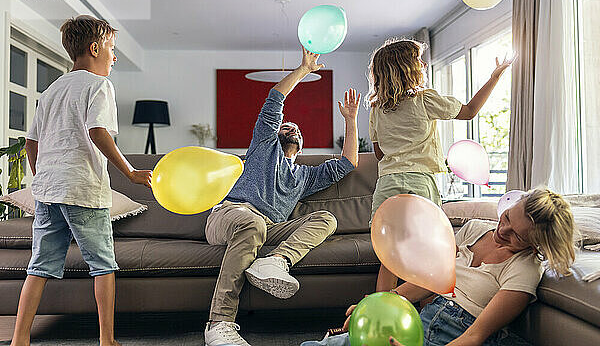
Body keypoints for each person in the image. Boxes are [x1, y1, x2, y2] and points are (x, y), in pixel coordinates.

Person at [10, 15, 152, 346]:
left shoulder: (50, 91)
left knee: (39, 267)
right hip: (83, 192)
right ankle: (106, 340)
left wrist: (42, 175)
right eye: (112, 48)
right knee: (103, 265)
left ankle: (19, 340)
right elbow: (98, 131)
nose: (114, 57)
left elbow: (31, 143)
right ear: (95, 48)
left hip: (48, 191)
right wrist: (130, 172)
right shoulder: (98, 85)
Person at [204, 47, 360, 346]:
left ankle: (276, 261)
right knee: (252, 224)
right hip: (229, 215)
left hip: (268, 228)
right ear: (276, 133)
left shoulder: (304, 176)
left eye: (296, 129)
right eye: (285, 126)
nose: (291, 128)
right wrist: (303, 70)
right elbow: (275, 98)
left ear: (301, 145)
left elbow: (348, 164)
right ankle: (219, 325)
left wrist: (350, 119)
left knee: (326, 219)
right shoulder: (263, 146)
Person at [302, 187, 577, 346]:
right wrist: (373, 308)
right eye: (506, 217)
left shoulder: (525, 269)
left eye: (516, 235)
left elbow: (475, 336)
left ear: (536, 243)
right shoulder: (476, 229)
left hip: (449, 336)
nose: (502, 230)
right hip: (419, 321)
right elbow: (430, 281)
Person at [366, 38, 516, 292]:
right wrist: (495, 76)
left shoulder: (376, 109)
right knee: (427, 255)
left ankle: (380, 318)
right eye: (418, 60)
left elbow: (380, 153)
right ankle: (426, 314)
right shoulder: (424, 100)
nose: (423, 64)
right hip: (419, 183)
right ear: (406, 68)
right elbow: (469, 111)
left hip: (387, 185)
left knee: (389, 257)